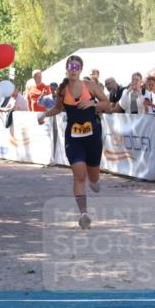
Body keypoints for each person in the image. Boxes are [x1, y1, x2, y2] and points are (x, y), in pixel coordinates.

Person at [37, 55, 112, 229]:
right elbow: (57, 108)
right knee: (79, 175)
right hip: (73, 138)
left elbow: (107, 104)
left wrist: (92, 104)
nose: (73, 70)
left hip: (92, 137)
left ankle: (94, 180)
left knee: (93, 179)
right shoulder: (63, 90)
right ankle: (83, 214)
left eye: (76, 67)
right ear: (66, 69)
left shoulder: (90, 86)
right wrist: (44, 114)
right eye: (70, 66)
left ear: (80, 70)